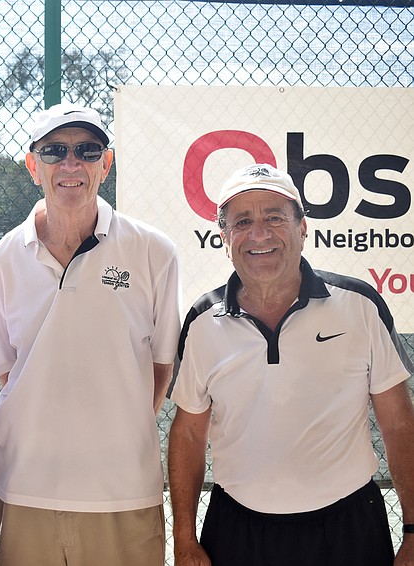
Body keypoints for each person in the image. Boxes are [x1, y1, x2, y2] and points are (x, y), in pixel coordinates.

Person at [167, 163, 414, 566]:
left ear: (303, 228)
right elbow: (189, 434)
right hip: (237, 531)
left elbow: (399, 424)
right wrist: (183, 539)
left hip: (348, 529)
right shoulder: (202, 321)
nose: (259, 234)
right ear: (224, 238)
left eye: (274, 218)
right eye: (242, 222)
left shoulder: (360, 305)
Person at [0, 102, 182, 565]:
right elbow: (10, 377)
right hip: (26, 491)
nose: (71, 164)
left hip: (124, 494)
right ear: (33, 166)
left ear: (105, 164)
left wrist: (116, 434)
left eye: (87, 151)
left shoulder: (155, 251)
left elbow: (160, 368)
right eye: (54, 151)